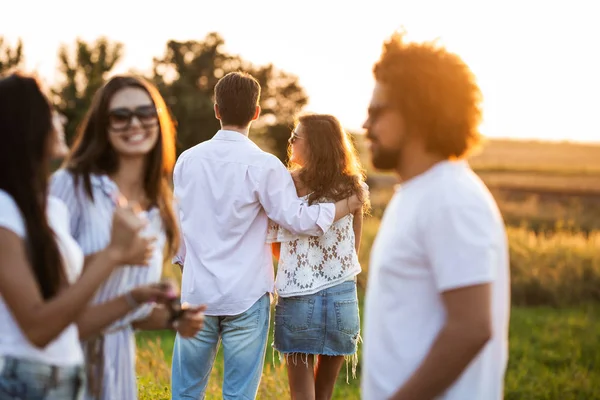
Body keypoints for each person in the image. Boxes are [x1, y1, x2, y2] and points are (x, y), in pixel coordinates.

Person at [171, 72, 366, 400]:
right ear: (256, 112)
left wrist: (187, 265)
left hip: (197, 292)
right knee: (239, 395)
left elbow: (177, 224)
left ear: (216, 110)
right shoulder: (265, 166)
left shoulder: (186, 161)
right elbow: (299, 220)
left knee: (186, 392)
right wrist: (347, 204)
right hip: (248, 297)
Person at [361, 32, 510, 400]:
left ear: (419, 113)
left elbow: (471, 328)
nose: (365, 125)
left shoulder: (451, 198)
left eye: (378, 111)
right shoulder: (416, 192)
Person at [50, 75, 206, 400]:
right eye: (120, 116)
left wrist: (173, 318)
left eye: (145, 113)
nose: (134, 123)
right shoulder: (72, 187)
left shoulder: (162, 206)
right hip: (61, 368)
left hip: (117, 371)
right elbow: (46, 293)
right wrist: (115, 253)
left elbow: (124, 309)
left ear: (159, 120)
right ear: (102, 126)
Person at [0, 73, 155, 399]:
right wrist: (113, 254)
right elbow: (39, 328)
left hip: (68, 377)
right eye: (50, 111)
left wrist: (136, 298)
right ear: (24, 126)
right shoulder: (4, 209)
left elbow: (70, 319)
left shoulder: (50, 210)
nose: (60, 119)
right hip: (20, 379)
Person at [267, 114, 368, 400]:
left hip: (298, 294)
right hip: (342, 296)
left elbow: (275, 243)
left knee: (302, 395)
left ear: (314, 145)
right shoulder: (354, 187)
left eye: (295, 137)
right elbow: (353, 248)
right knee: (323, 395)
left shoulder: (288, 184)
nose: (290, 142)